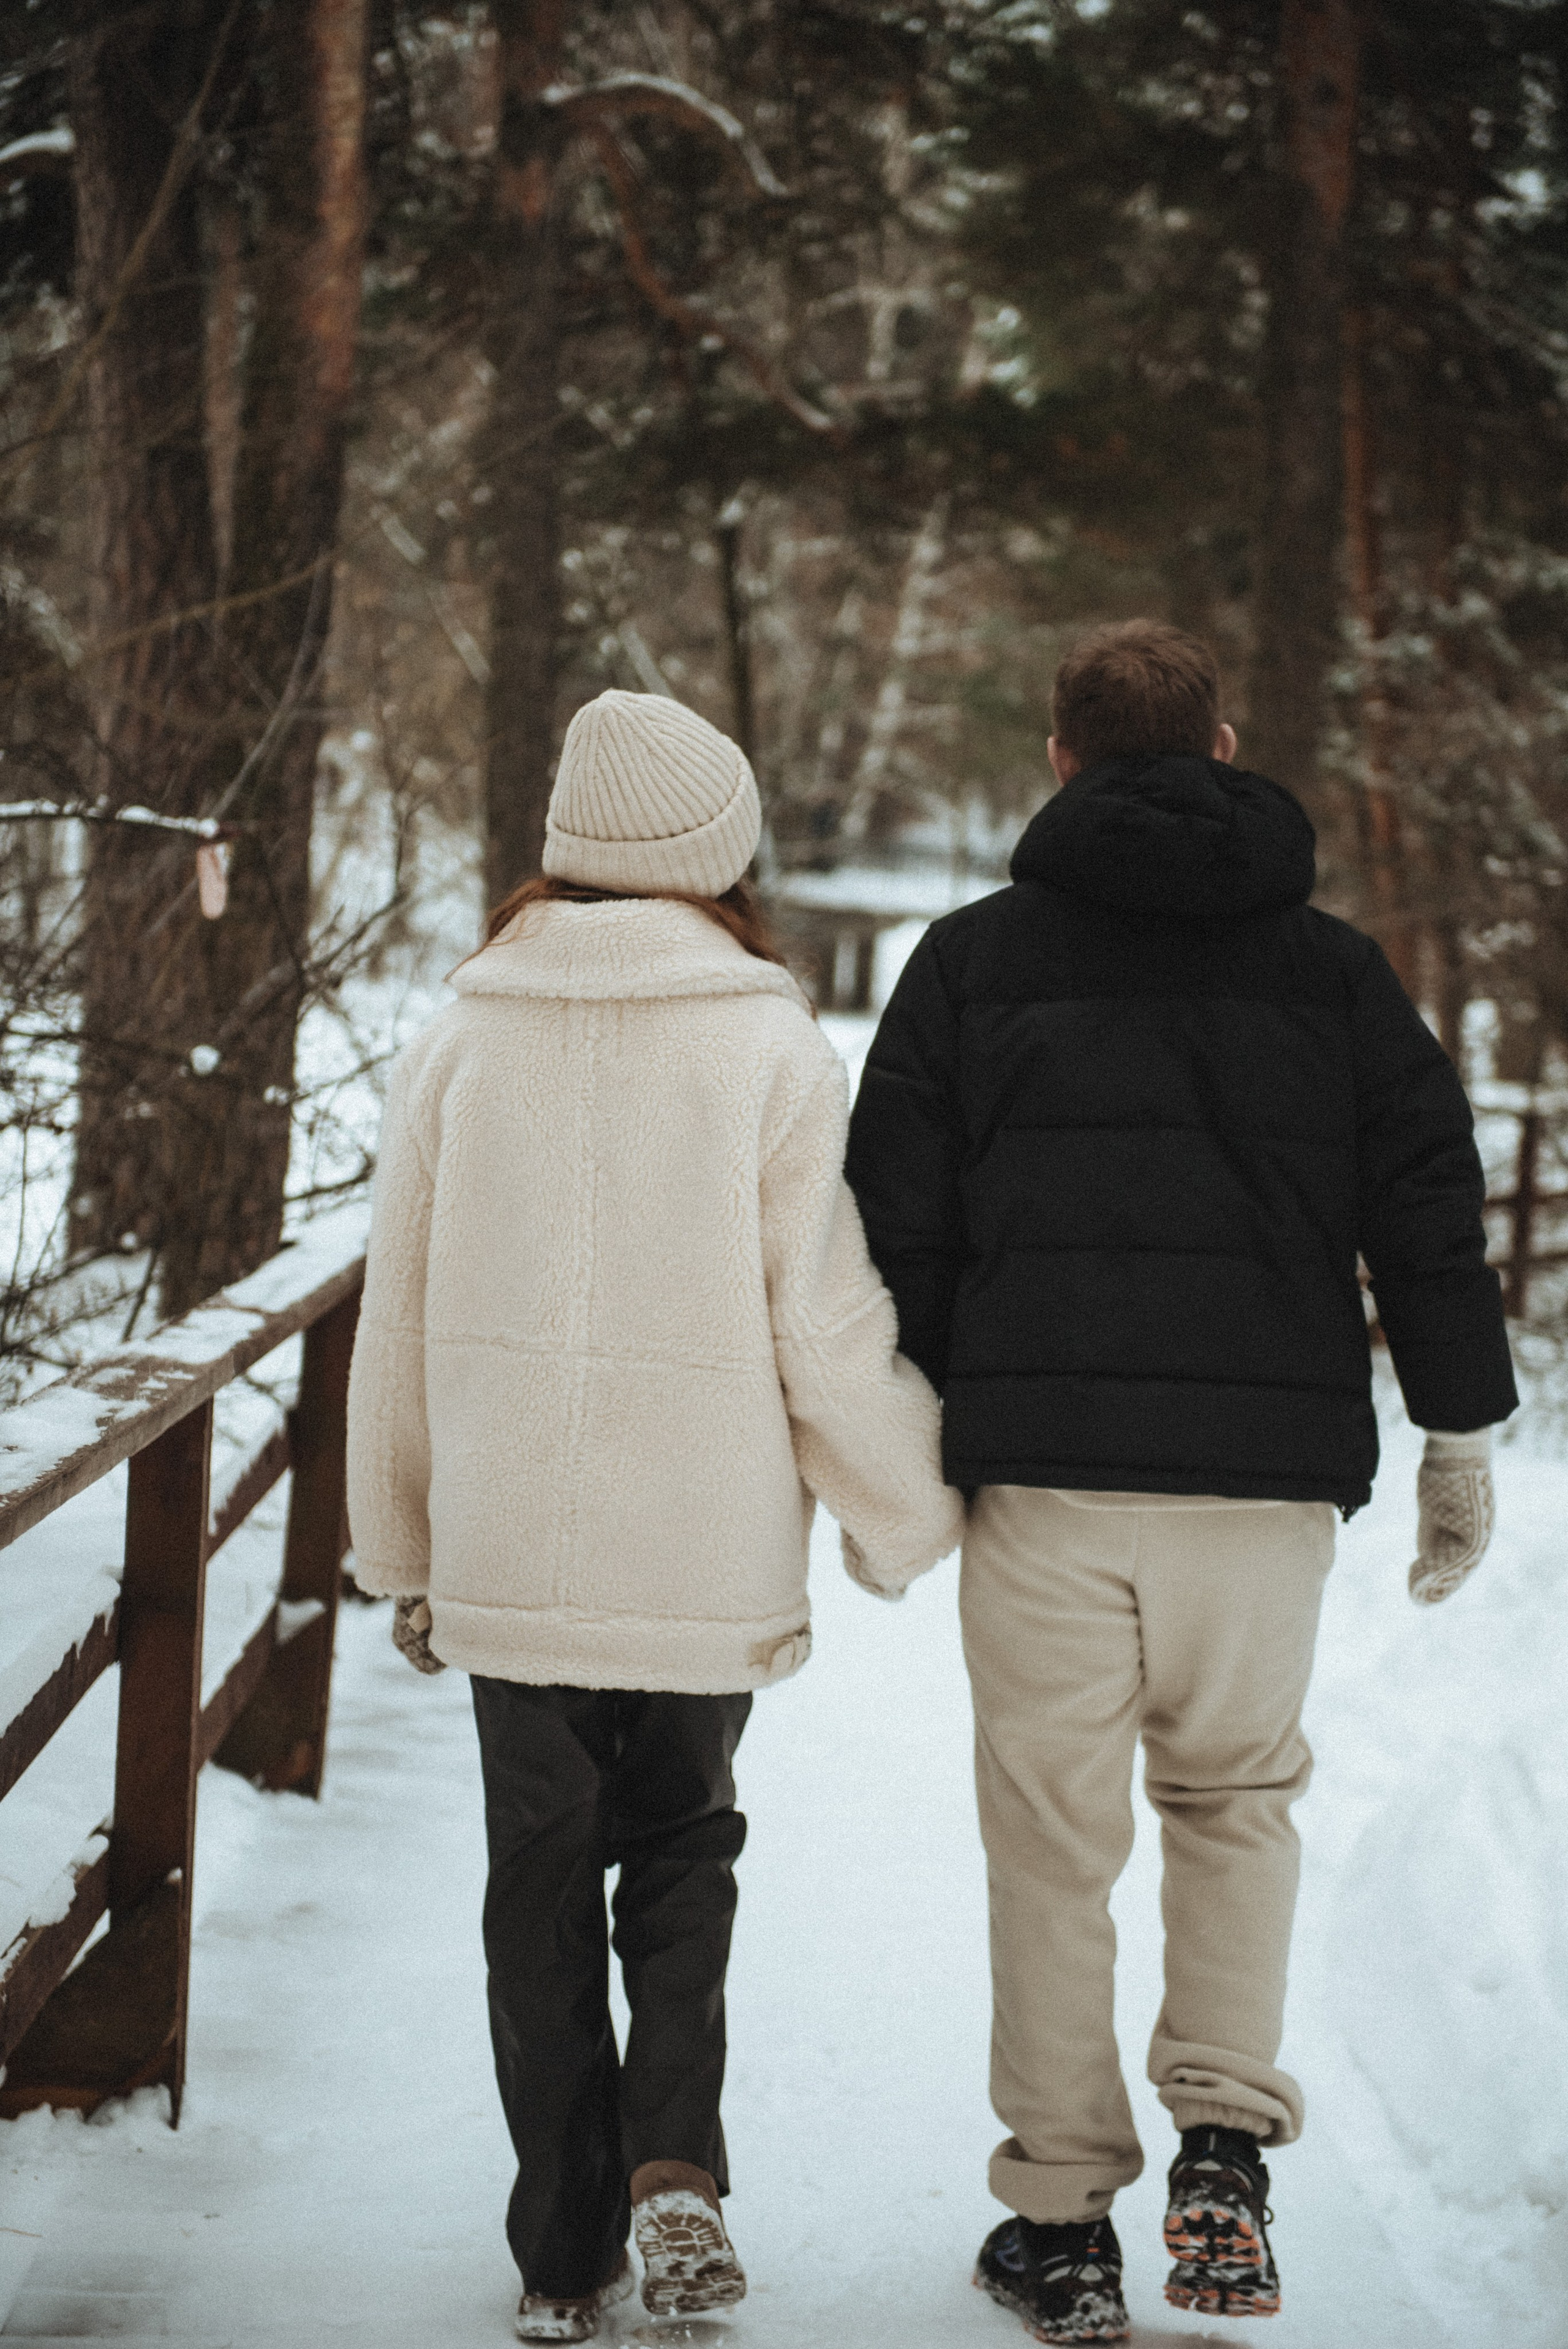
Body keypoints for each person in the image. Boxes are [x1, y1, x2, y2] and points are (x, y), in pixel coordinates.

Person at [845, 619, 1516, 2346]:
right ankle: (1224, 2142)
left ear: (1059, 760)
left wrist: (939, 1398)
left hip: (1048, 1486)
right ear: (1224, 746)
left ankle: (1065, 2222)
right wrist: (1458, 1429)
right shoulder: (1339, 973)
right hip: (1262, 1488)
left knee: (1053, 1847)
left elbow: (891, 1213)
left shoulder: (970, 965)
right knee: (1236, 1801)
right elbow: (1428, 1203)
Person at [346, 688, 962, 2346]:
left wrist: (400, 1549)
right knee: (683, 1854)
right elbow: (823, 1320)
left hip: (514, 1556)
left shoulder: (462, 1032)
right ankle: (674, 2161)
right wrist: (900, 1510)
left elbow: (394, 1317)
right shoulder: (768, 1040)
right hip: (700, 1551)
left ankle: (562, 2257)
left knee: (534, 1884)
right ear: (717, 857)